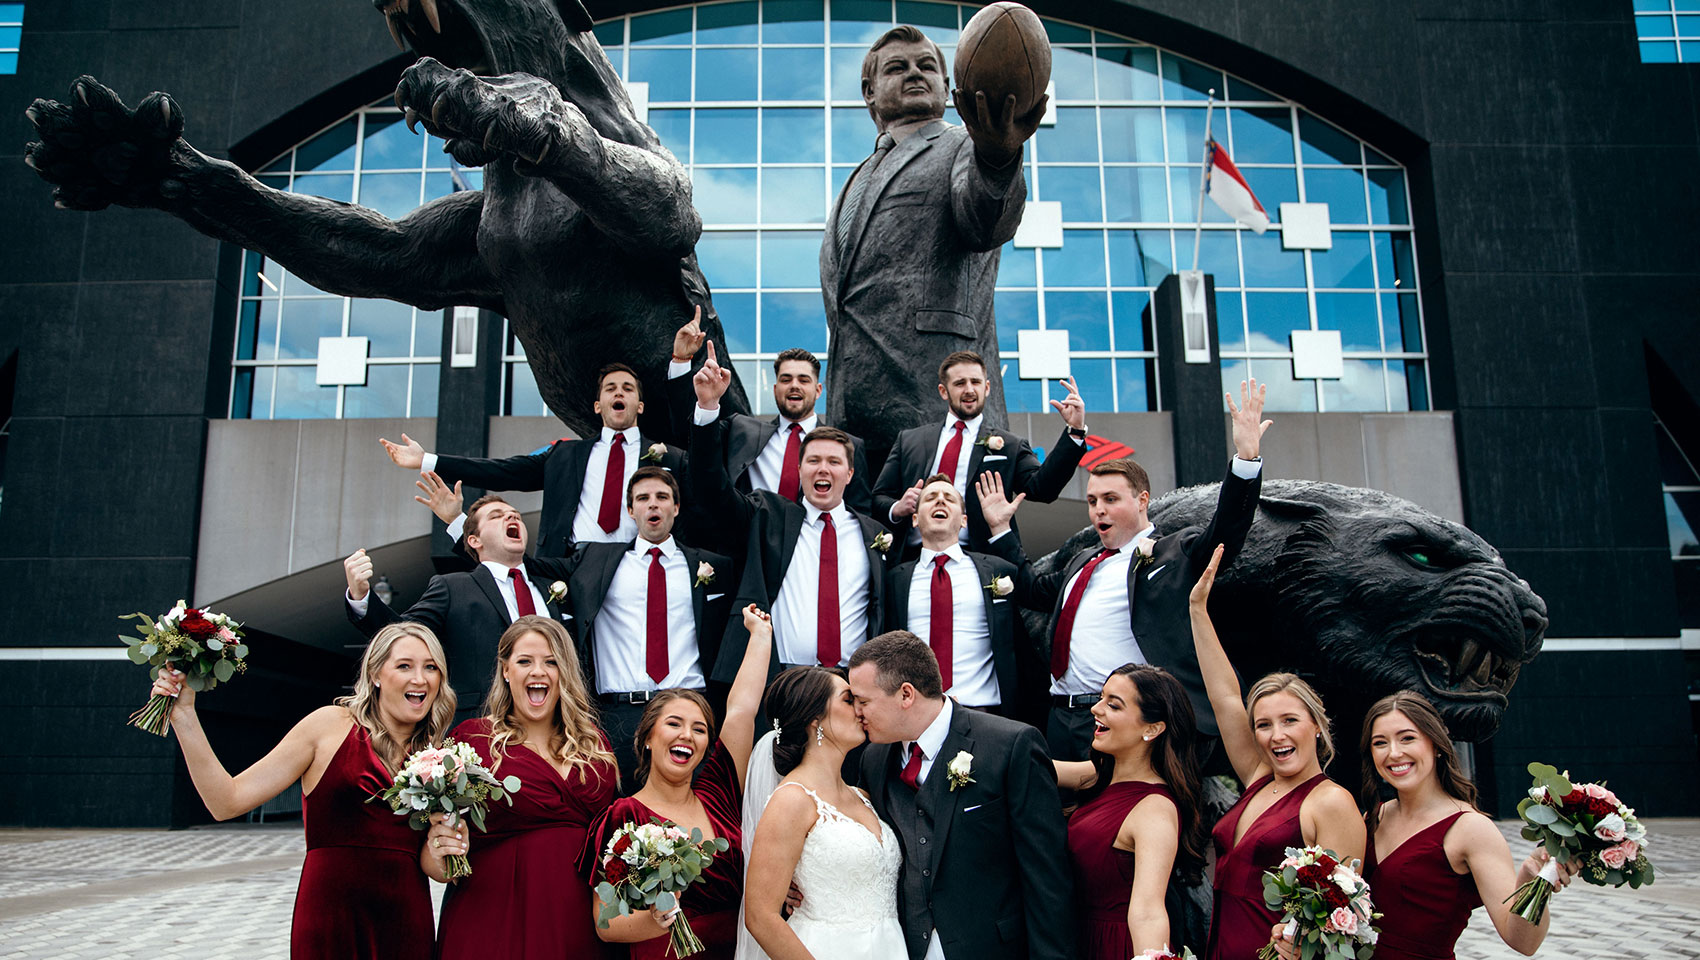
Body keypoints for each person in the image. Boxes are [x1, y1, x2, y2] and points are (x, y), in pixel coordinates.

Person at [990, 378, 1269, 761]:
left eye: (1109, 499)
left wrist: (1246, 461)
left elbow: (1227, 532)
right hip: (1064, 720)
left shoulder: (1176, 552)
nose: (1097, 510)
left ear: (1142, 500)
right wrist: (1000, 529)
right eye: (1091, 501)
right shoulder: (1081, 562)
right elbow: (1030, 589)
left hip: (1134, 725)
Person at [149, 622, 455, 958]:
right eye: (404, 666)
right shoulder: (328, 726)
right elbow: (226, 801)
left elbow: (437, 869)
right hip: (330, 918)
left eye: (431, 667)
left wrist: (448, 848)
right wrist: (184, 716)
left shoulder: (441, 757)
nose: (420, 678)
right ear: (375, 674)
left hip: (406, 922)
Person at [420, 465, 733, 785]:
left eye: (662, 497)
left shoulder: (715, 567)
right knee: (618, 820)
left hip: (688, 710)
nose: (653, 504)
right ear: (630, 510)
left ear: (676, 507)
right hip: (617, 716)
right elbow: (514, 563)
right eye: (643, 498)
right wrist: (458, 523)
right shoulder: (594, 561)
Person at [821, 24, 1045, 465]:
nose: (915, 74)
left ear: (947, 85)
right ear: (869, 91)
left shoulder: (963, 145)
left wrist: (998, 159)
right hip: (854, 426)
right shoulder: (856, 179)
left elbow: (985, 220)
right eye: (898, 68)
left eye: (927, 66)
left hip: (936, 409)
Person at [1268, 691, 1576, 960]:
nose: (1394, 753)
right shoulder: (1373, 818)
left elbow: (1523, 942)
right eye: (1380, 743)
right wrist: (1298, 932)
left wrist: (1533, 881)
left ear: (1436, 744)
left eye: (1407, 738)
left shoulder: (1471, 829)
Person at [848, 630, 1074, 960]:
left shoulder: (1010, 746)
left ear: (906, 695)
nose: (857, 712)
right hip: (902, 947)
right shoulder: (874, 759)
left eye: (863, 701)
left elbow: (1047, 876)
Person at [1188, 545, 1364, 960]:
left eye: (1289, 720)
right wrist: (1197, 609)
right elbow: (1226, 697)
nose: (1275, 735)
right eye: (1263, 725)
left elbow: (1343, 914)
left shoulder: (1332, 803)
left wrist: (1301, 946)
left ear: (1317, 728)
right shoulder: (1259, 777)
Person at [688, 343, 890, 682]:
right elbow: (712, 490)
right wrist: (708, 407)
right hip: (782, 677)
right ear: (799, 469)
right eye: (813, 461)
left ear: (851, 473)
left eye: (834, 462)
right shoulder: (768, 516)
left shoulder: (872, 536)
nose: (823, 469)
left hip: (851, 684)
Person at [584, 604, 774, 960]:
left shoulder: (719, 793)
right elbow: (604, 925)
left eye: (699, 729)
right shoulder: (622, 815)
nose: (687, 735)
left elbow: (742, 710)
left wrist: (761, 637)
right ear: (647, 738)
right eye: (674, 724)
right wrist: (656, 919)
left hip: (739, 951)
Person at [428, 615, 618, 960]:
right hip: (494, 917)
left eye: (551, 662)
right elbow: (439, 851)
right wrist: (443, 847)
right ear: (505, 670)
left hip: (578, 919)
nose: (538, 672)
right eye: (525, 661)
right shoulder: (472, 741)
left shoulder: (594, 744)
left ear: (565, 672)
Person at [377, 362, 686, 556]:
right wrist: (428, 460)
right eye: (610, 388)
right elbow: (503, 472)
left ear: (640, 405)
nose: (619, 393)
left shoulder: (670, 458)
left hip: (640, 561)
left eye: (627, 388)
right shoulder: (565, 455)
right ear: (597, 405)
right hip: (571, 566)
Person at [345, 489, 571, 719]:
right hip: (481, 726)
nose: (512, 518)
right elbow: (402, 635)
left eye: (516, 515)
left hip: (557, 726)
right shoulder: (452, 588)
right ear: (474, 540)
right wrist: (361, 595)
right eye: (496, 516)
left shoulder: (552, 586)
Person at [741, 666, 906, 960]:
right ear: (814, 719)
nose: (859, 709)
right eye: (847, 699)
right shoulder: (792, 800)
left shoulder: (863, 796)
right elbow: (760, 916)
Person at [1051, 663, 1206, 959]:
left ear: (1152, 729)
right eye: (1101, 697)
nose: (1096, 709)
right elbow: (1035, 767)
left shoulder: (1155, 810)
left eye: (1114, 705)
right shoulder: (1103, 777)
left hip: (1116, 946)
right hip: (1078, 938)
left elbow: (1148, 912)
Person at [874, 352, 1085, 556]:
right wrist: (897, 507)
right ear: (943, 391)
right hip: (913, 559)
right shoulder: (910, 440)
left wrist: (1074, 432)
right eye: (959, 383)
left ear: (987, 388)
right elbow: (877, 498)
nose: (969, 390)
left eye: (975, 382)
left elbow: (1043, 489)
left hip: (980, 561)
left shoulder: (1010, 445)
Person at [667, 308, 873, 514]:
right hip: (749, 541)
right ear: (775, 389)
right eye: (786, 379)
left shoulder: (849, 446)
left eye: (803, 380)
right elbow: (692, 438)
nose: (794, 385)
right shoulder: (740, 430)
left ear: (818, 390)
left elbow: (859, 514)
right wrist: (682, 362)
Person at [882, 472, 1027, 715]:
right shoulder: (895, 579)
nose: (940, 501)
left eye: (949, 498)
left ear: (964, 521)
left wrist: (1002, 527)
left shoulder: (998, 570)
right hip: (914, 712)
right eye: (931, 498)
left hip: (983, 711)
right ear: (915, 519)